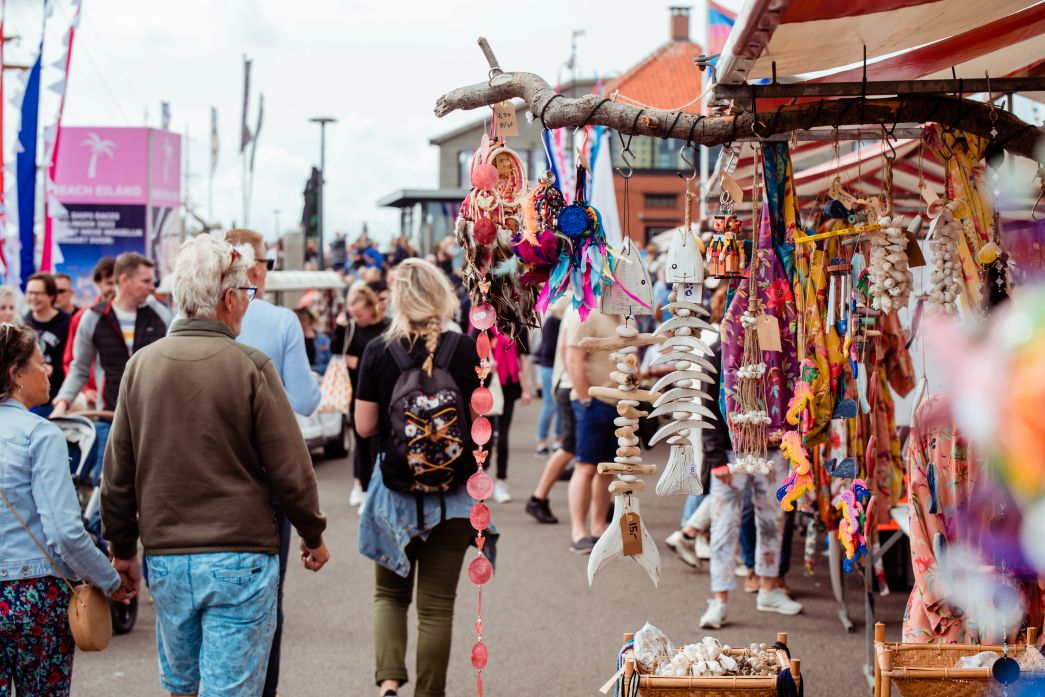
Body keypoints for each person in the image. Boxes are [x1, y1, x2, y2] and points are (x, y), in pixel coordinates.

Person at [101, 235, 330, 697]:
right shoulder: (251, 366)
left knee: (183, 687)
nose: (247, 303)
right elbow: (291, 468)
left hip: (166, 556)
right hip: (239, 554)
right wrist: (312, 534)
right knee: (230, 689)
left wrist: (123, 548)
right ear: (228, 298)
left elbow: (118, 474)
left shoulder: (141, 366)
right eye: (245, 293)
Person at [354, 258, 485, 697]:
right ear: (441, 295)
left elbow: (365, 427)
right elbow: (479, 421)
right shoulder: (464, 349)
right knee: (437, 609)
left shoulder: (377, 349)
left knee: (389, 596)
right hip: (453, 497)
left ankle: (389, 683)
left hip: (395, 493)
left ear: (397, 299)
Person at [0, 322, 132, 695]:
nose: (49, 370)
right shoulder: (39, 434)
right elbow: (63, 531)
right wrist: (109, 580)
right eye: (40, 363)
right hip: (34, 595)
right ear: (16, 375)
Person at [223, 228, 322, 697]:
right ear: (256, 269)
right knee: (264, 604)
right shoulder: (281, 322)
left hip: (191, 483)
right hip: (262, 483)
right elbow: (304, 401)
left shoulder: (179, 322)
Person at [52, 253, 170, 494]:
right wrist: (62, 403)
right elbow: (79, 368)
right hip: (109, 417)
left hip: (153, 420)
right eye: (146, 281)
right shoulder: (93, 317)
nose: (152, 287)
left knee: (153, 488)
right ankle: (103, 532)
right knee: (106, 489)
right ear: (125, 280)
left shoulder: (161, 316)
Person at [564, 307, 622, 554]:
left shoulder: (624, 316)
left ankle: (599, 529)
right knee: (586, 466)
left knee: (607, 468)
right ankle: (579, 532)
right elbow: (572, 357)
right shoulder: (586, 314)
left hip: (619, 403)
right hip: (593, 402)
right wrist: (585, 397)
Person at [332, 283, 390, 507]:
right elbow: (337, 352)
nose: (357, 317)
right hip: (357, 393)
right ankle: (361, 486)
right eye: (353, 314)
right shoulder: (351, 328)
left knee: (378, 443)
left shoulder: (387, 327)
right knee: (362, 442)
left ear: (372, 307)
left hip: (383, 394)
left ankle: (375, 489)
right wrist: (339, 327)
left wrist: (363, 362)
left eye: (360, 313)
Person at [526, 299, 576, 525]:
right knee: (568, 444)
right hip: (566, 381)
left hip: (565, 380)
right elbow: (563, 351)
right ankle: (542, 443)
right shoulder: (562, 320)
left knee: (573, 446)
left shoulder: (562, 318)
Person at [60, 257, 116, 410]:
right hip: (92, 399)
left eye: (117, 283)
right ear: (98, 283)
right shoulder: (84, 317)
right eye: (109, 283)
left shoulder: (133, 315)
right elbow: (71, 360)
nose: (114, 288)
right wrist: (85, 390)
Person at [488, 327, 531, 503]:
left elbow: (524, 359)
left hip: (510, 385)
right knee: (486, 436)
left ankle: (501, 481)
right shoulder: (483, 324)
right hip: (488, 385)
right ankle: (481, 478)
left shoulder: (519, 328)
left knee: (503, 437)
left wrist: (526, 389)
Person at [22, 273, 71, 412]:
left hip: (56, 398)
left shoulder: (67, 323)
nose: (33, 298)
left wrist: (54, 370)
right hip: (29, 400)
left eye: (38, 293)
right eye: (30, 292)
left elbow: (76, 363)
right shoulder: (23, 321)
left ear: (51, 296)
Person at [534, 302, 563, 455]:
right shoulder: (553, 321)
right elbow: (550, 347)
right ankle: (542, 441)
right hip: (550, 366)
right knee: (550, 405)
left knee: (559, 406)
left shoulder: (562, 320)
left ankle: (558, 439)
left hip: (558, 366)